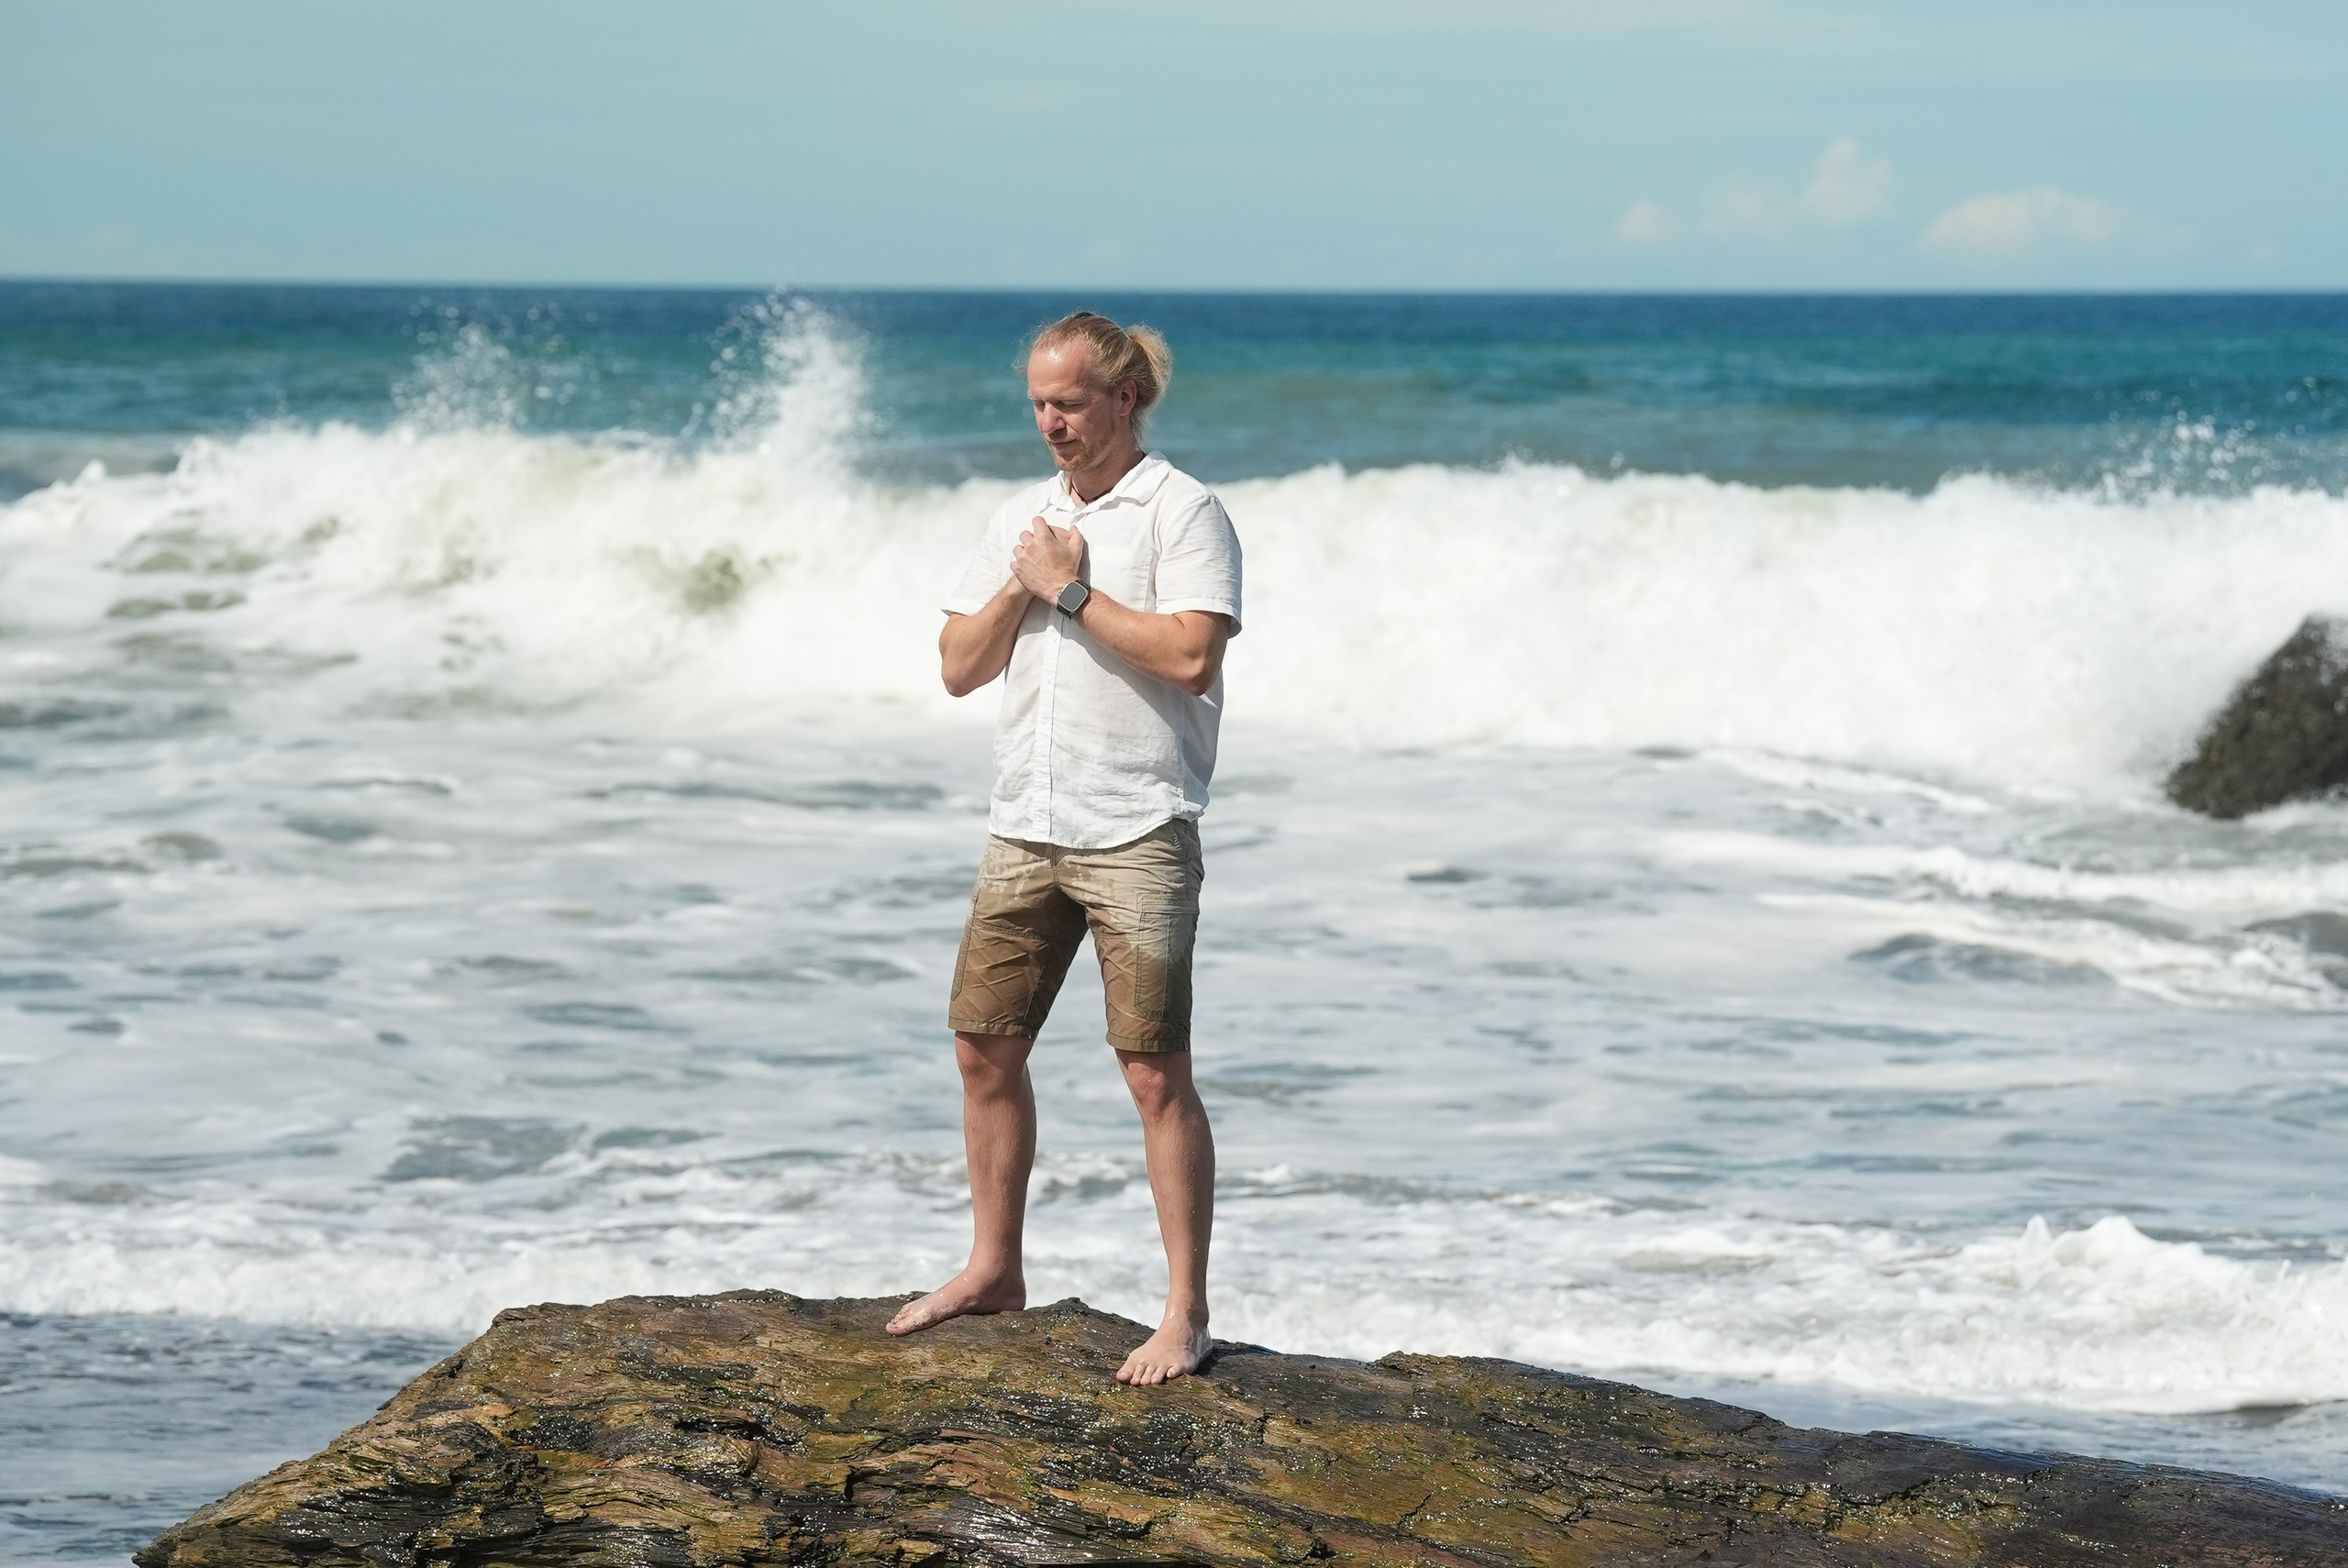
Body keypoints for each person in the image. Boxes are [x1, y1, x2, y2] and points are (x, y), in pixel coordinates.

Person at [885, 312, 1242, 1386]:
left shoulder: (1184, 510)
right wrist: (1024, 579)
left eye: (1070, 401)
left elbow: (1188, 655)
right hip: (1023, 822)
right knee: (981, 1049)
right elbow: (957, 666)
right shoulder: (1021, 519)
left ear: (1124, 398)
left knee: (1151, 1073)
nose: (1050, 419)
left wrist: (1074, 594)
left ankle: (1184, 1315)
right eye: (1039, 401)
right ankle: (995, 1268)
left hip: (1136, 824)